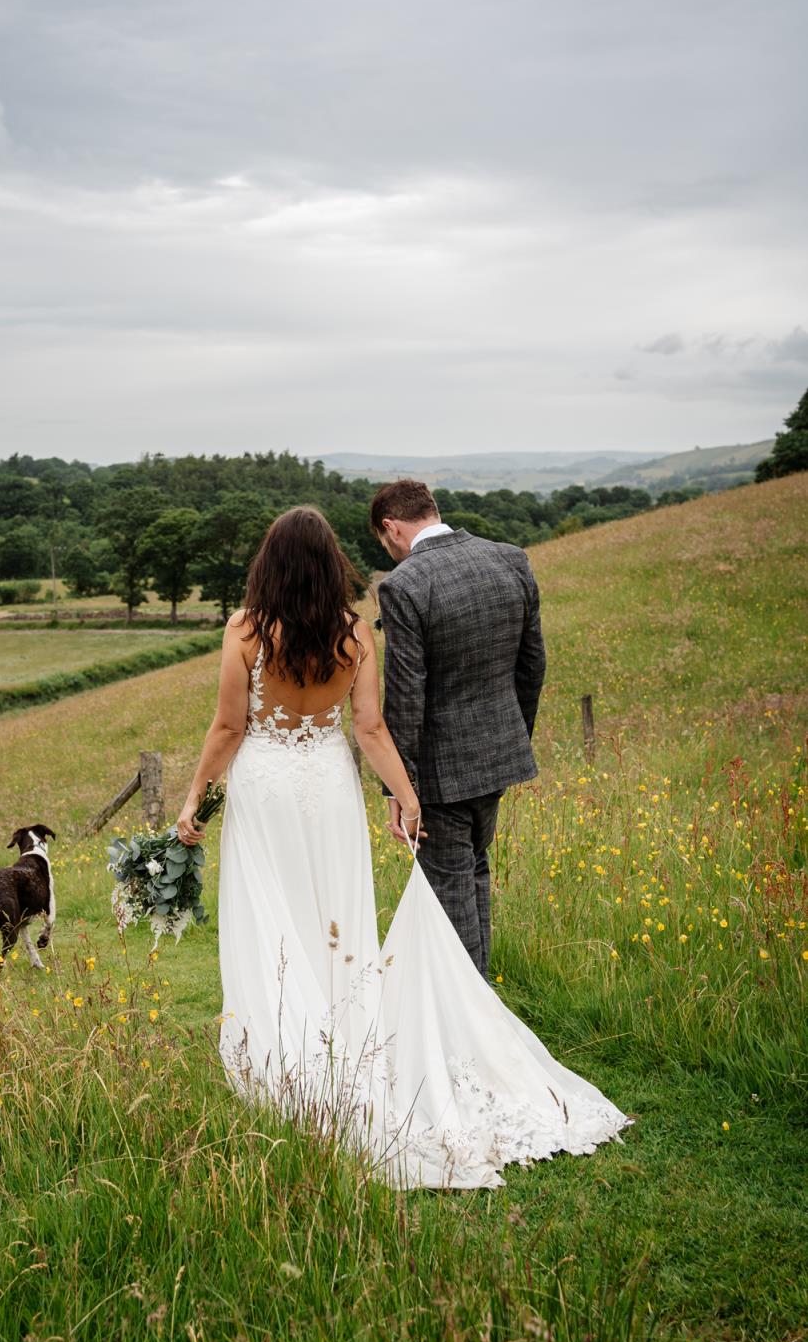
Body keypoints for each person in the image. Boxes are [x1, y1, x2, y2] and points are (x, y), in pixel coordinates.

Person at [175, 505, 632, 1190]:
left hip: (266, 789)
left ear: (266, 566)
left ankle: (282, 1051)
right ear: (333, 564)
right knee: (335, 913)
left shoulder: (244, 631)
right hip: (327, 788)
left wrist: (193, 801)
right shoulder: (355, 633)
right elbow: (370, 727)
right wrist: (406, 796)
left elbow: (227, 727)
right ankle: (341, 1034)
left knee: (271, 912)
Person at [371, 480, 546, 982]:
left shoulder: (404, 585)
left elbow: (406, 694)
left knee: (449, 892)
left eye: (386, 541)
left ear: (392, 527)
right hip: (499, 755)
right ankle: (483, 1005)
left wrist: (398, 790)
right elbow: (532, 665)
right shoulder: (511, 558)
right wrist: (513, 737)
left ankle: (470, 1025)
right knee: (475, 872)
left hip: (440, 772)